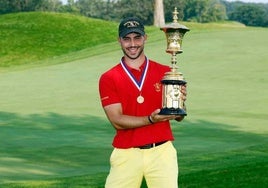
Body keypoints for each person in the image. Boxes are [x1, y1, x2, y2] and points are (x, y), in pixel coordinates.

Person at [98, 17, 187, 188]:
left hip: (162, 153)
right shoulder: (109, 78)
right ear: (119, 41)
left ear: (145, 38)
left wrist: (180, 102)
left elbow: (178, 117)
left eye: (137, 37)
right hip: (126, 154)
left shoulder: (166, 72)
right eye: (127, 38)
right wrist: (151, 119)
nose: (132, 44)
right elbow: (117, 121)